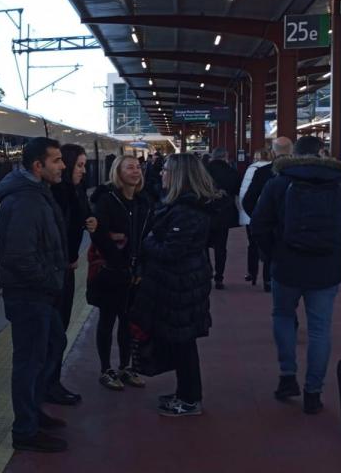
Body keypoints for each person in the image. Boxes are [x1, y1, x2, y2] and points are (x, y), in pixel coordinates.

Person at [251, 136, 341, 415]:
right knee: (320, 329)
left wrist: (271, 255)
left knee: (282, 317)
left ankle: (287, 376)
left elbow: (259, 224)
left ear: (294, 153)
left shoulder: (278, 182)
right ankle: (313, 393)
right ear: (322, 153)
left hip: (286, 265)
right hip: (325, 268)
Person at [0, 137, 69, 453]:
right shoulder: (25, 201)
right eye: (57, 160)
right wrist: (50, 280)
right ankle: (25, 429)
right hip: (29, 294)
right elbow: (19, 256)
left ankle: (34, 412)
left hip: (38, 292)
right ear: (38, 166)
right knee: (29, 361)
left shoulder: (37, 193)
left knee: (54, 344)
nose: (62, 166)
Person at [131, 153, 218, 417]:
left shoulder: (187, 212)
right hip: (180, 284)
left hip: (180, 287)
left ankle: (190, 400)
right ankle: (185, 393)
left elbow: (170, 251)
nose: (161, 173)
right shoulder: (186, 207)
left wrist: (146, 241)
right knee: (182, 343)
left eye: (166, 170)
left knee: (184, 345)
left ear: (180, 176)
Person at [89, 156, 153, 391]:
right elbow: (100, 236)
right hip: (112, 271)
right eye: (130, 167)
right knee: (107, 320)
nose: (136, 171)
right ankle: (106, 369)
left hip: (135, 272)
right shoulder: (106, 201)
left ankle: (126, 367)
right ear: (118, 172)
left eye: (138, 167)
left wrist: (140, 268)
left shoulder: (144, 201)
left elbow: (148, 236)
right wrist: (120, 264)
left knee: (128, 321)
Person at [49, 144, 98, 406]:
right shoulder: (54, 194)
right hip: (56, 272)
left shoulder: (75, 191)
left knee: (60, 329)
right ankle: (49, 385)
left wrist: (91, 221)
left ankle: (51, 382)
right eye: (79, 165)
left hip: (66, 267)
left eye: (84, 165)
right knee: (54, 331)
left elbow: (83, 216)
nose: (83, 170)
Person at [242, 137, 293, 293]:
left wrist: (259, 218)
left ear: (272, 151)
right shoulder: (303, 172)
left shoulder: (262, 172)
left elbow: (248, 200)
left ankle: (268, 281)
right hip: (296, 226)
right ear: (292, 151)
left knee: (270, 254)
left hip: (271, 225)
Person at [205, 148, 240, 289]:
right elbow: (237, 190)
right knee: (221, 247)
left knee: (203, 245)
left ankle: (207, 272)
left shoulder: (204, 170)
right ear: (226, 156)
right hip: (224, 213)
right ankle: (219, 277)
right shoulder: (232, 172)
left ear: (213, 156)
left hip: (206, 211)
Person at [239, 148, 273, 287]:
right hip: (267, 215)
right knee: (270, 247)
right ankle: (267, 279)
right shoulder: (272, 170)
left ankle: (252, 272)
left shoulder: (250, 169)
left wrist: (250, 214)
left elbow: (245, 194)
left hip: (251, 214)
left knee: (252, 244)